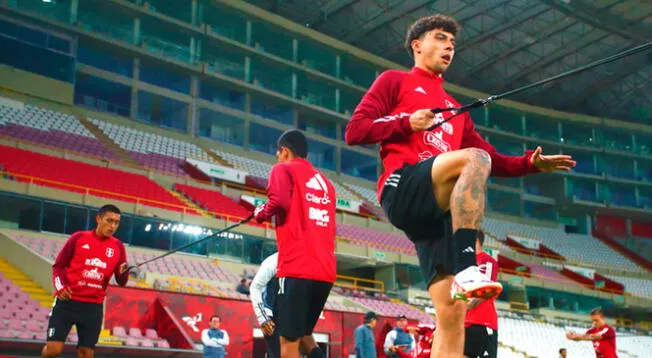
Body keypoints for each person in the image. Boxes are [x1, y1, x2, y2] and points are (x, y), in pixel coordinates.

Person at [345, 14, 576, 357]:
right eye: (440, 38)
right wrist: (406, 122)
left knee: (452, 315)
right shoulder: (394, 81)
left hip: (436, 216)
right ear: (417, 45)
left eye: (452, 43)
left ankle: (465, 275)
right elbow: (356, 130)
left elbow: (492, 160)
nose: (448, 46)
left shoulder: (456, 108)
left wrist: (529, 163)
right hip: (403, 186)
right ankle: (469, 268)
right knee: (472, 160)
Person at [253, 129, 336, 358]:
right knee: (305, 337)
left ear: (285, 151)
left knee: (288, 341)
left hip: (297, 267)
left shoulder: (282, 169)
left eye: (278, 154)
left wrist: (260, 212)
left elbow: (278, 202)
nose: (277, 158)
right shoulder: (326, 183)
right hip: (325, 271)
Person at [42, 204, 129, 358]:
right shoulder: (78, 237)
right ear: (98, 218)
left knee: (86, 353)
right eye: (109, 220)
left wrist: (124, 273)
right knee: (53, 349)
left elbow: (121, 281)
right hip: (67, 302)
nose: (113, 226)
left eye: (116, 222)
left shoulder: (118, 246)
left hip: (93, 307)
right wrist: (60, 288)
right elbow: (58, 266)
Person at [249, 252, 326, 358]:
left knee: (312, 349)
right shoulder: (274, 261)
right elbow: (255, 287)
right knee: (281, 353)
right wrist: (263, 318)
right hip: (272, 316)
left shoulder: (306, 260)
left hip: (293, 313)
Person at [464, 231, 499, 358]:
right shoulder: (465, 264)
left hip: (482, 322)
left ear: (476, 241)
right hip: (465, 323)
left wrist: (465, 305)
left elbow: (485, 291)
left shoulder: (487, 262)